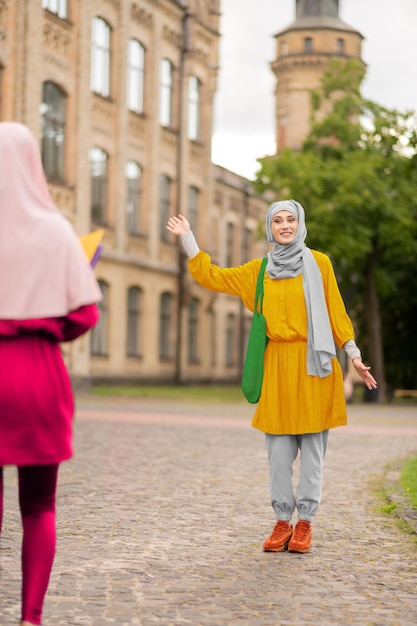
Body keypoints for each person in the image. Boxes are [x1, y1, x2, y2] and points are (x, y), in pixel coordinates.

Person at [166, 200, 377, 554]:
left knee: (312, 452)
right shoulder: (259, 271)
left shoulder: (319, 263)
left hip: (315, 365)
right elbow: (212, 276)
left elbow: (336, 311)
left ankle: (305, 523)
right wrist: (189, 240)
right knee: (278, 453)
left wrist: (353, 354)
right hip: (277, 365)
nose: (284, 225)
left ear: (300, 224)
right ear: (270, 227)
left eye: (290, 219)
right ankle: (282, 522)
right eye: (277, 220)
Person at [0, 122, 102, 625]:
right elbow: (84, 315)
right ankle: (30, 619)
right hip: (38, 374)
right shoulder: (55, 231)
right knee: (39, 505)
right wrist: (45, 326)